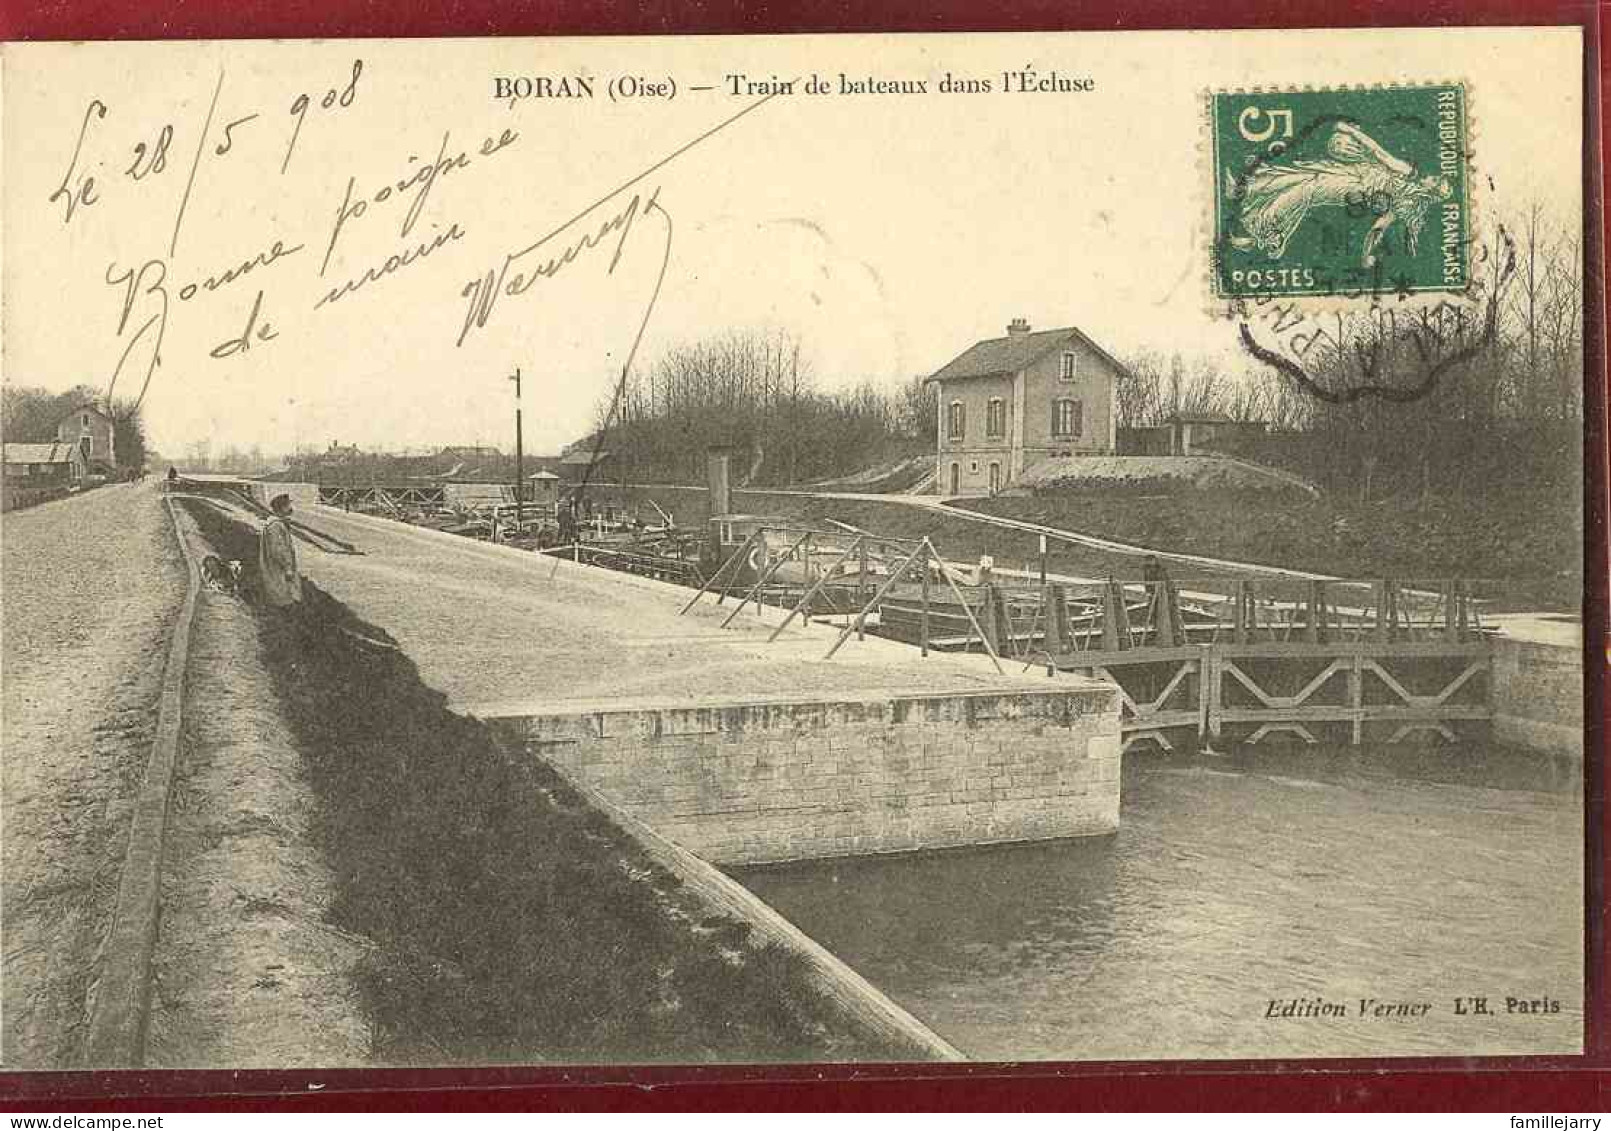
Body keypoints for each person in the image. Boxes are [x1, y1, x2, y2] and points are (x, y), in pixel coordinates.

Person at [259, 493, 304, 608]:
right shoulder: (275, 526)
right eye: (288, 505)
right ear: (282, 507)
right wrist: (288, 567)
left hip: (277, 569)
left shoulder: (276, 524)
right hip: (280, 570)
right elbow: (278, 550)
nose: (290, 508)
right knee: (286, 598)